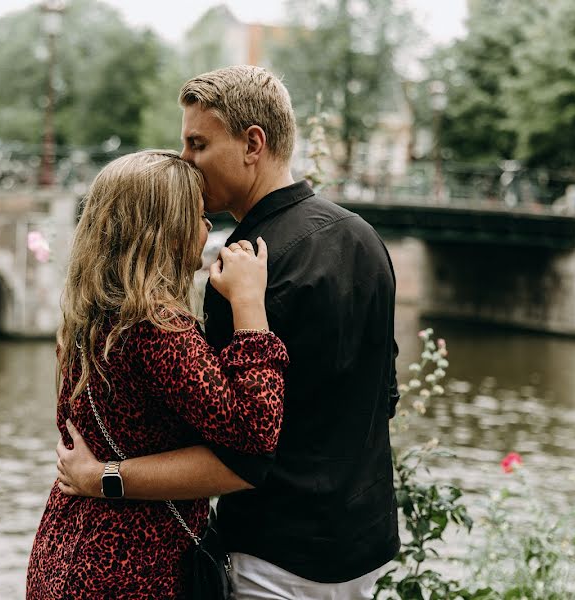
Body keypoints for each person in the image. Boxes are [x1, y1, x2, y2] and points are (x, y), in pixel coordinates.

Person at [56, 66, 401, 599]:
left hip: (273, 553)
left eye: (198, 143)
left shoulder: (239, 272)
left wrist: (104, 477)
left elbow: (237, 454)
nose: (187, 161)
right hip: (363, 546)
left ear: (252, 144)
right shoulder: (364, 238)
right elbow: (384, 394)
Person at [26, 149, 290, 598]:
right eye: (198, 215)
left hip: (63, 547)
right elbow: (254, 428)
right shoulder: (156, 328)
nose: (208, 228)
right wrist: (249, 305)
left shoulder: (88, 318)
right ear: (165, 231)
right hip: (128, 567)